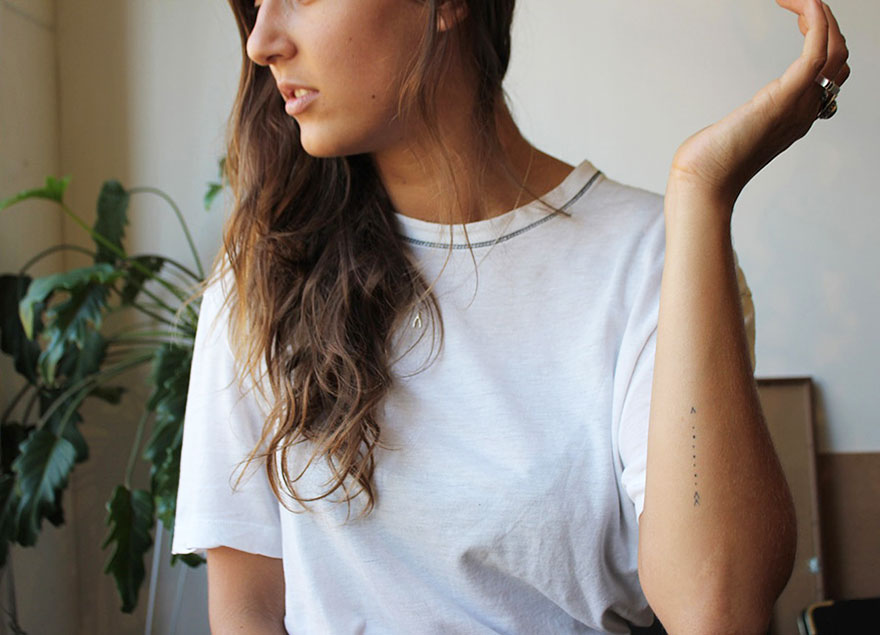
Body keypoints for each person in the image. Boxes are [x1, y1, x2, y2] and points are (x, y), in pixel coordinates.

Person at [170, 0, 850, 633]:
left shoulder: (653, 258)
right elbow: (249, 609)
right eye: (255, 3)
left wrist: (702, 195)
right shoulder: (263, 277)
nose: (261, 42)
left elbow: (720, 610)